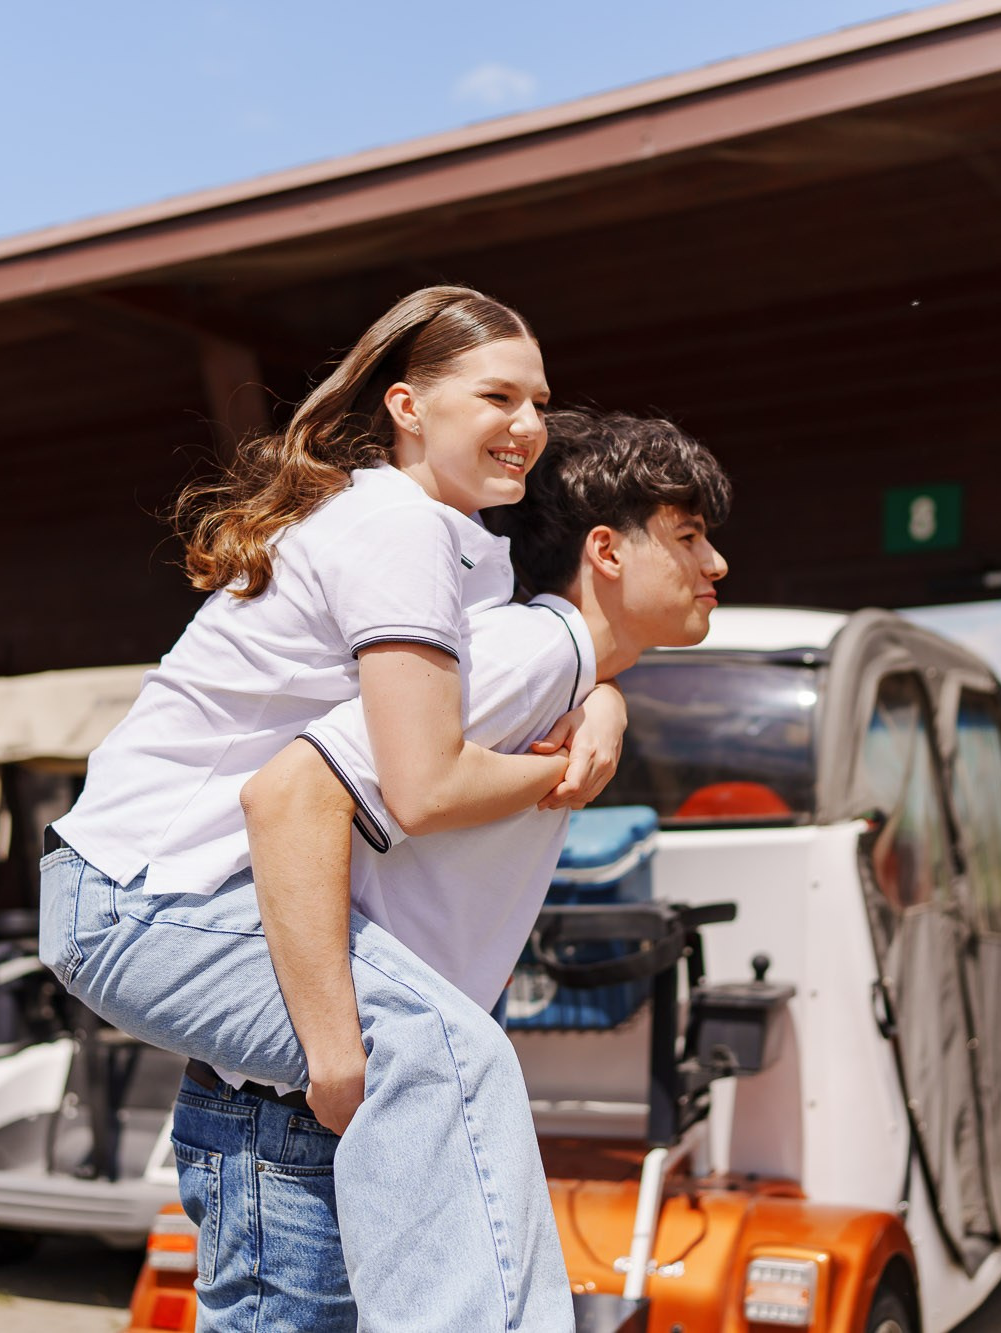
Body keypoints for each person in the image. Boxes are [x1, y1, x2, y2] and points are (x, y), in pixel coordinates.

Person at [39, 288, 626, 1331]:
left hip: (177, 894)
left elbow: (474, 695)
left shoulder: (457, 542)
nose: (528, 423)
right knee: (449, 1051)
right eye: (496, 394)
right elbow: (422, 782)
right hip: (141, 895)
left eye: (538, 398)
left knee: (442, 1051)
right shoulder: (396, 526)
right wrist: (562, 769)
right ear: (407, 405)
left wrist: (601, 694)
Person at [193, 411, 732, 1331]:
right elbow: (286, 801)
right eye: (688, 536)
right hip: (309, 1098)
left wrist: (606, 700)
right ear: (604, 549)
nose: (715, 564)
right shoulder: (524, 655)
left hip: (358, 1089)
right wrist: (337, 1059)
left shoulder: (553, 665)